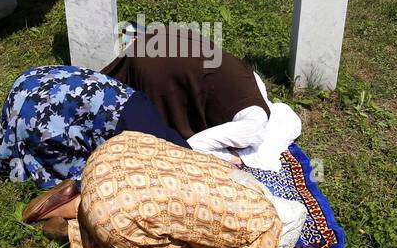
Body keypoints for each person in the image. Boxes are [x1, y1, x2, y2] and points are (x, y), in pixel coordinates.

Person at [23, 132, 307, 248]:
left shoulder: (243, 181)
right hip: (116, 210)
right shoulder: (266, 224)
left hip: (115, 153)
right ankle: (76, 233)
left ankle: (75, 202)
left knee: (155, 201)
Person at [0, 65, 189, 185]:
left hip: (34, 81)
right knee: (87, 176)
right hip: (40, 114)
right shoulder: (148, 149)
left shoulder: (147, 110)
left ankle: (3, 136)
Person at [102, 31, 302, 172]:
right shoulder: (253, 129)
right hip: (155, 65)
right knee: (127, 116)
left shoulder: (255, 83)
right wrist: (227, 158)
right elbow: (192, 146)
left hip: (156, 41)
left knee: (106, 92)